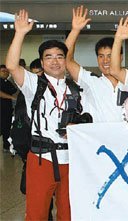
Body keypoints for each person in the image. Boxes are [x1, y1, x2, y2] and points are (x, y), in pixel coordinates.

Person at [6, 9, 74, 220]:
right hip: (40, 158)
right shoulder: (34, 84)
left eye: (60, 56)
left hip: (72, 160)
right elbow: (11, 65)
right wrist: (19, 33)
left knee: (68, 213)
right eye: (49, 57)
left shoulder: (77, 89)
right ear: (42, 63)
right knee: (36, 214)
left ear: (66, 60)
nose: (55, 61)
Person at [65, 6, 126, 123]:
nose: (105, 60)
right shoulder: (91, 81)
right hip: (97, 140)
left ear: (120, 57)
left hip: (125, 140)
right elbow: (67, 60)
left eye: (110, 56)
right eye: (101, 56)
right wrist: (75, 30)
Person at [0, 64, 17, 152]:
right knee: (3, 127)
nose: (5, 73)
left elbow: (14, 90)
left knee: (6, 128)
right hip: (1, 109)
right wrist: (12, 98)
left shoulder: (7, 82)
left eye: (7, 71)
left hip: (7, 109)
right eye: (3, 71)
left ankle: (6, 146)